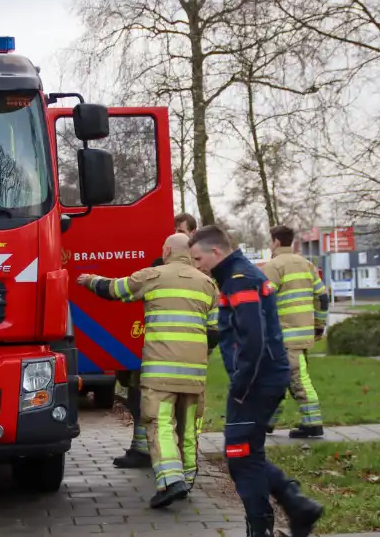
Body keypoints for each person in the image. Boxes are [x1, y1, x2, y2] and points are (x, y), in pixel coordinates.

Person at [188, 225, 323, 537]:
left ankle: (286, 511)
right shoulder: (238, 275)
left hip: (258, 382)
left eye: (197, 259)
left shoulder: (239, 279)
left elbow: (254, 339)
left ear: (215, 252)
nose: (197, 266)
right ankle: (289, 511)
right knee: (247, 453)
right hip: (265, 378)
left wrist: (242, 385)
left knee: (239, 455)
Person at [77, 233, 217, 508]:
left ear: (166, 251)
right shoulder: (208, 284)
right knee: (188, 428)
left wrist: (88, 280)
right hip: (194, 374)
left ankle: (171, 480)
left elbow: (115, 290)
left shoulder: (152, 276)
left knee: (159, 423)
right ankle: (187, 481)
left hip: (160, 373)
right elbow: (216, 331)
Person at [113, 212, 204, 470]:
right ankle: (145, 451)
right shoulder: (160, 266)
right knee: (140, 398)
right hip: (154, 345)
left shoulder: (201, 267)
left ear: (193, 233)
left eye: (182, 230)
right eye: (174, 229)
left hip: (181, 354)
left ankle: (176, 464)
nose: (178, 233)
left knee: (176, 410)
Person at [261, 225, 330, 438]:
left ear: (275, 242)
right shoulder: (306, 264)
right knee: (279, 378)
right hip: (304, 334)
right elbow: (322, 297)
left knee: (298, 379)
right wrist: (319, 326)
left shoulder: (273, 267)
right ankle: (267, 422)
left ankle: (313, 423)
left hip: (284, 337)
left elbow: (263, 300)